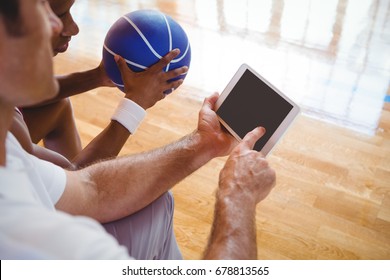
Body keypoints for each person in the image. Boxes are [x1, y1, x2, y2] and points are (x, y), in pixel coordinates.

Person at [0, 0, 276, 260]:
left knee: (58, 112)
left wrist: (206, 142)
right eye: (52, 11)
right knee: (155, 203)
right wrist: (239, 195)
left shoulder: (10, 145)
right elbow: (74, 173)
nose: (70, 28)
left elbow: (88, 187)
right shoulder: (45, 244)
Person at [10, 0, 188, 169]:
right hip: (13, 187)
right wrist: (136, 104)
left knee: (57, 106)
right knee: (162, 200)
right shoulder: (8, 135)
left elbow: (19, 94)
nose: (74, 28)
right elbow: (79, 184)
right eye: (59, 15)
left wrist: (98, 77)